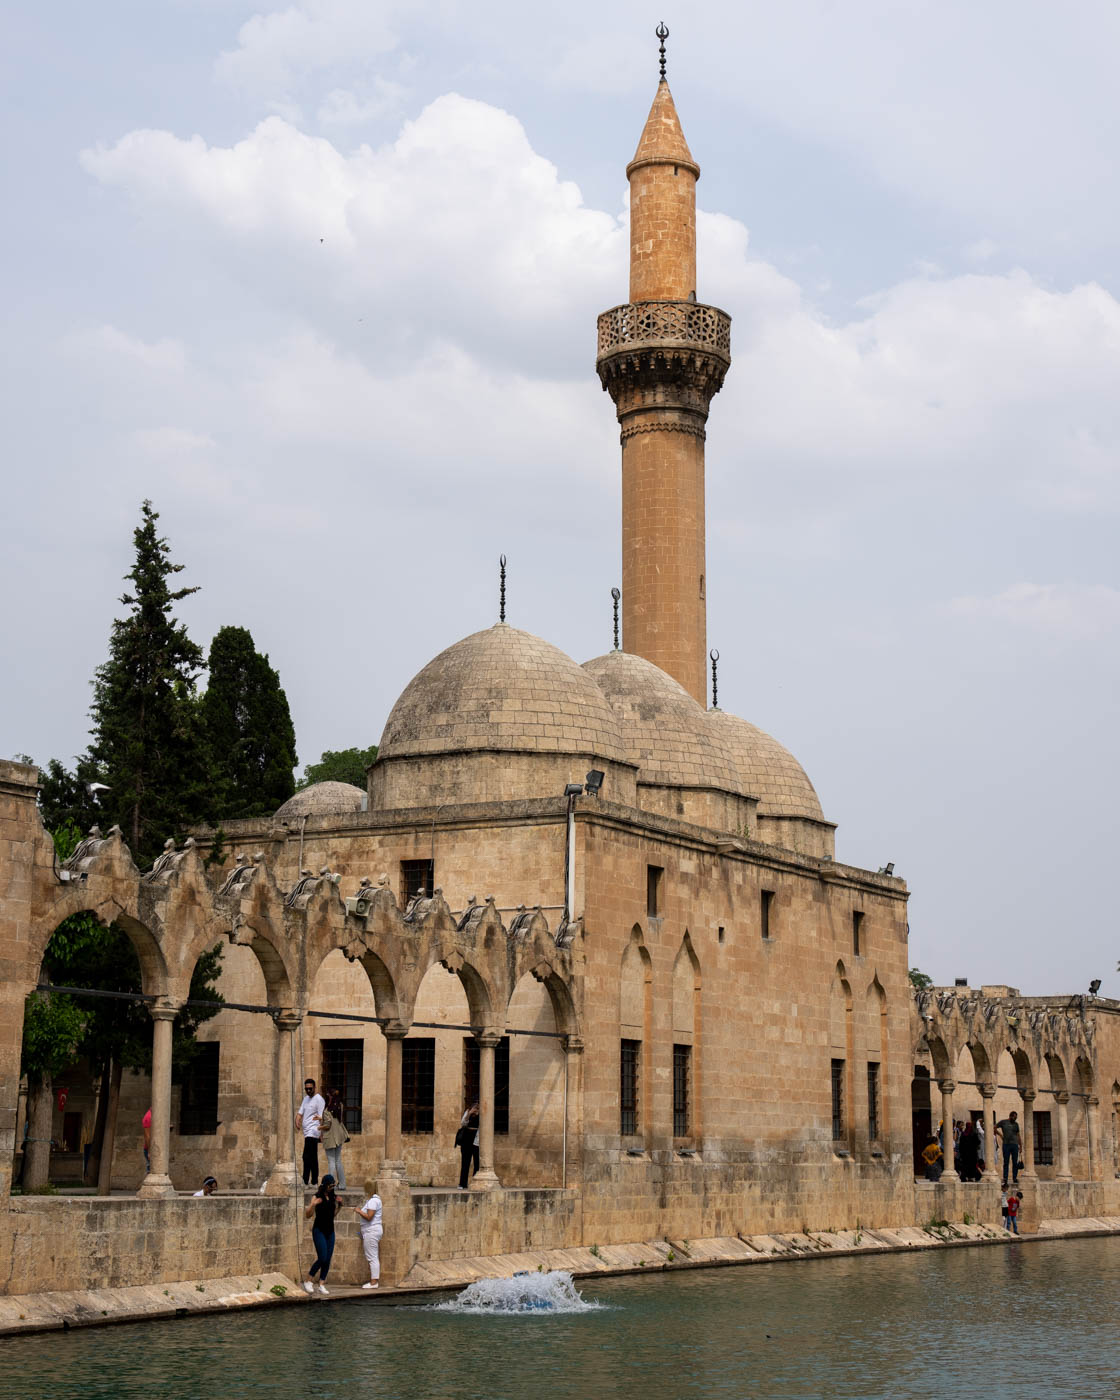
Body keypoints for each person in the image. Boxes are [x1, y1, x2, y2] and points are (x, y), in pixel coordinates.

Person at [303, 1174, 338, 1295]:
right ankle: (308, 1280)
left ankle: (321, 1284)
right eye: (331, 1185)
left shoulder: (333, 1197)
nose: (332, 1187)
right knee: (322, 1257)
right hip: (319, 1230)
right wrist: (313, 1204)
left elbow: (332, 1215)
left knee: (327, 1259)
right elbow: (307, 1214)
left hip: (330, 1231)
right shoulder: (317, 1196)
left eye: (334, 1185)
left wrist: (340, 1206)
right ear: (325, 1185)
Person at [296, 1078, 325, 1186]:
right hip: (307, 1131)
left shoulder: (319, 1099)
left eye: (310, 1089)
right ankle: (314, 1182)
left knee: (306, 1156)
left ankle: (305, 1181)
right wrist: (297, 1120)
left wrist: (322, 1133)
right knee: (312, 1157)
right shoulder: (306, 1099)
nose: (308, 1091)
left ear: (314, 1087)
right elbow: (300, 1113)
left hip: (313, 1131)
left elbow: (322, 1116)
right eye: (306, 1089)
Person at [355, 1178, 383, 1289]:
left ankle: (374, 1282)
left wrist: (359, 1211)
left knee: (372, 1257)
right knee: (372, 1256)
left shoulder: (373, 1201)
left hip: (371, 1231)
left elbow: (369, 1217)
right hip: (371, 1231)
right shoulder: (375, 1200)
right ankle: (374, 1281)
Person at [322, 1090, 349, 1190]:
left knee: (331, 1162)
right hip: (339, 1136)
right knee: (338, 1161)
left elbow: (327, 1125)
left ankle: (331, 1185)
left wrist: (319, 1127)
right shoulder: (339, 1106)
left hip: (330, 1137)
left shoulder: (327, 1110)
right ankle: (342, 1184)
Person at [457, 1102, 480, 1190]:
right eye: (475, 1107)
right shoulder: (468, 1112)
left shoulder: (482, 1114)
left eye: (477, 1108)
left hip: (476, 1140)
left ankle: (475, 1182)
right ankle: (462, 1184)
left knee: (477, 1162)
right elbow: (463, 1123)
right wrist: (469, 1113)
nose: (476, 1109)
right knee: (465, 1162)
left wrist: (478, 1114)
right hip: (466, 1139)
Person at [996, 1110, 1021, 1186]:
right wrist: (1000, 1135)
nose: (1015, 1119)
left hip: (1014, 1145)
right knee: (1006, 1162)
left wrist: (1021, 1145)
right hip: (1006, 1145)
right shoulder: (1004, 1122)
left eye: (1016, 1118)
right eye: (1014, 1117)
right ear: (1010, 1116)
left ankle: (1014, 1177)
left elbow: (1018, 1135)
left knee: (1015, 1162)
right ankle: (1005, 1178)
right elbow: (994, 1127)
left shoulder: (1016, 1124)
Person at [142, 1107, 152, 1172]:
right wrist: (149, 1152)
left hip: (154, 1148)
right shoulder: (148, 1117)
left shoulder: (153, 1115)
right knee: (151, 1172)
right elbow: (147, 1136)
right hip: (150, 1149)